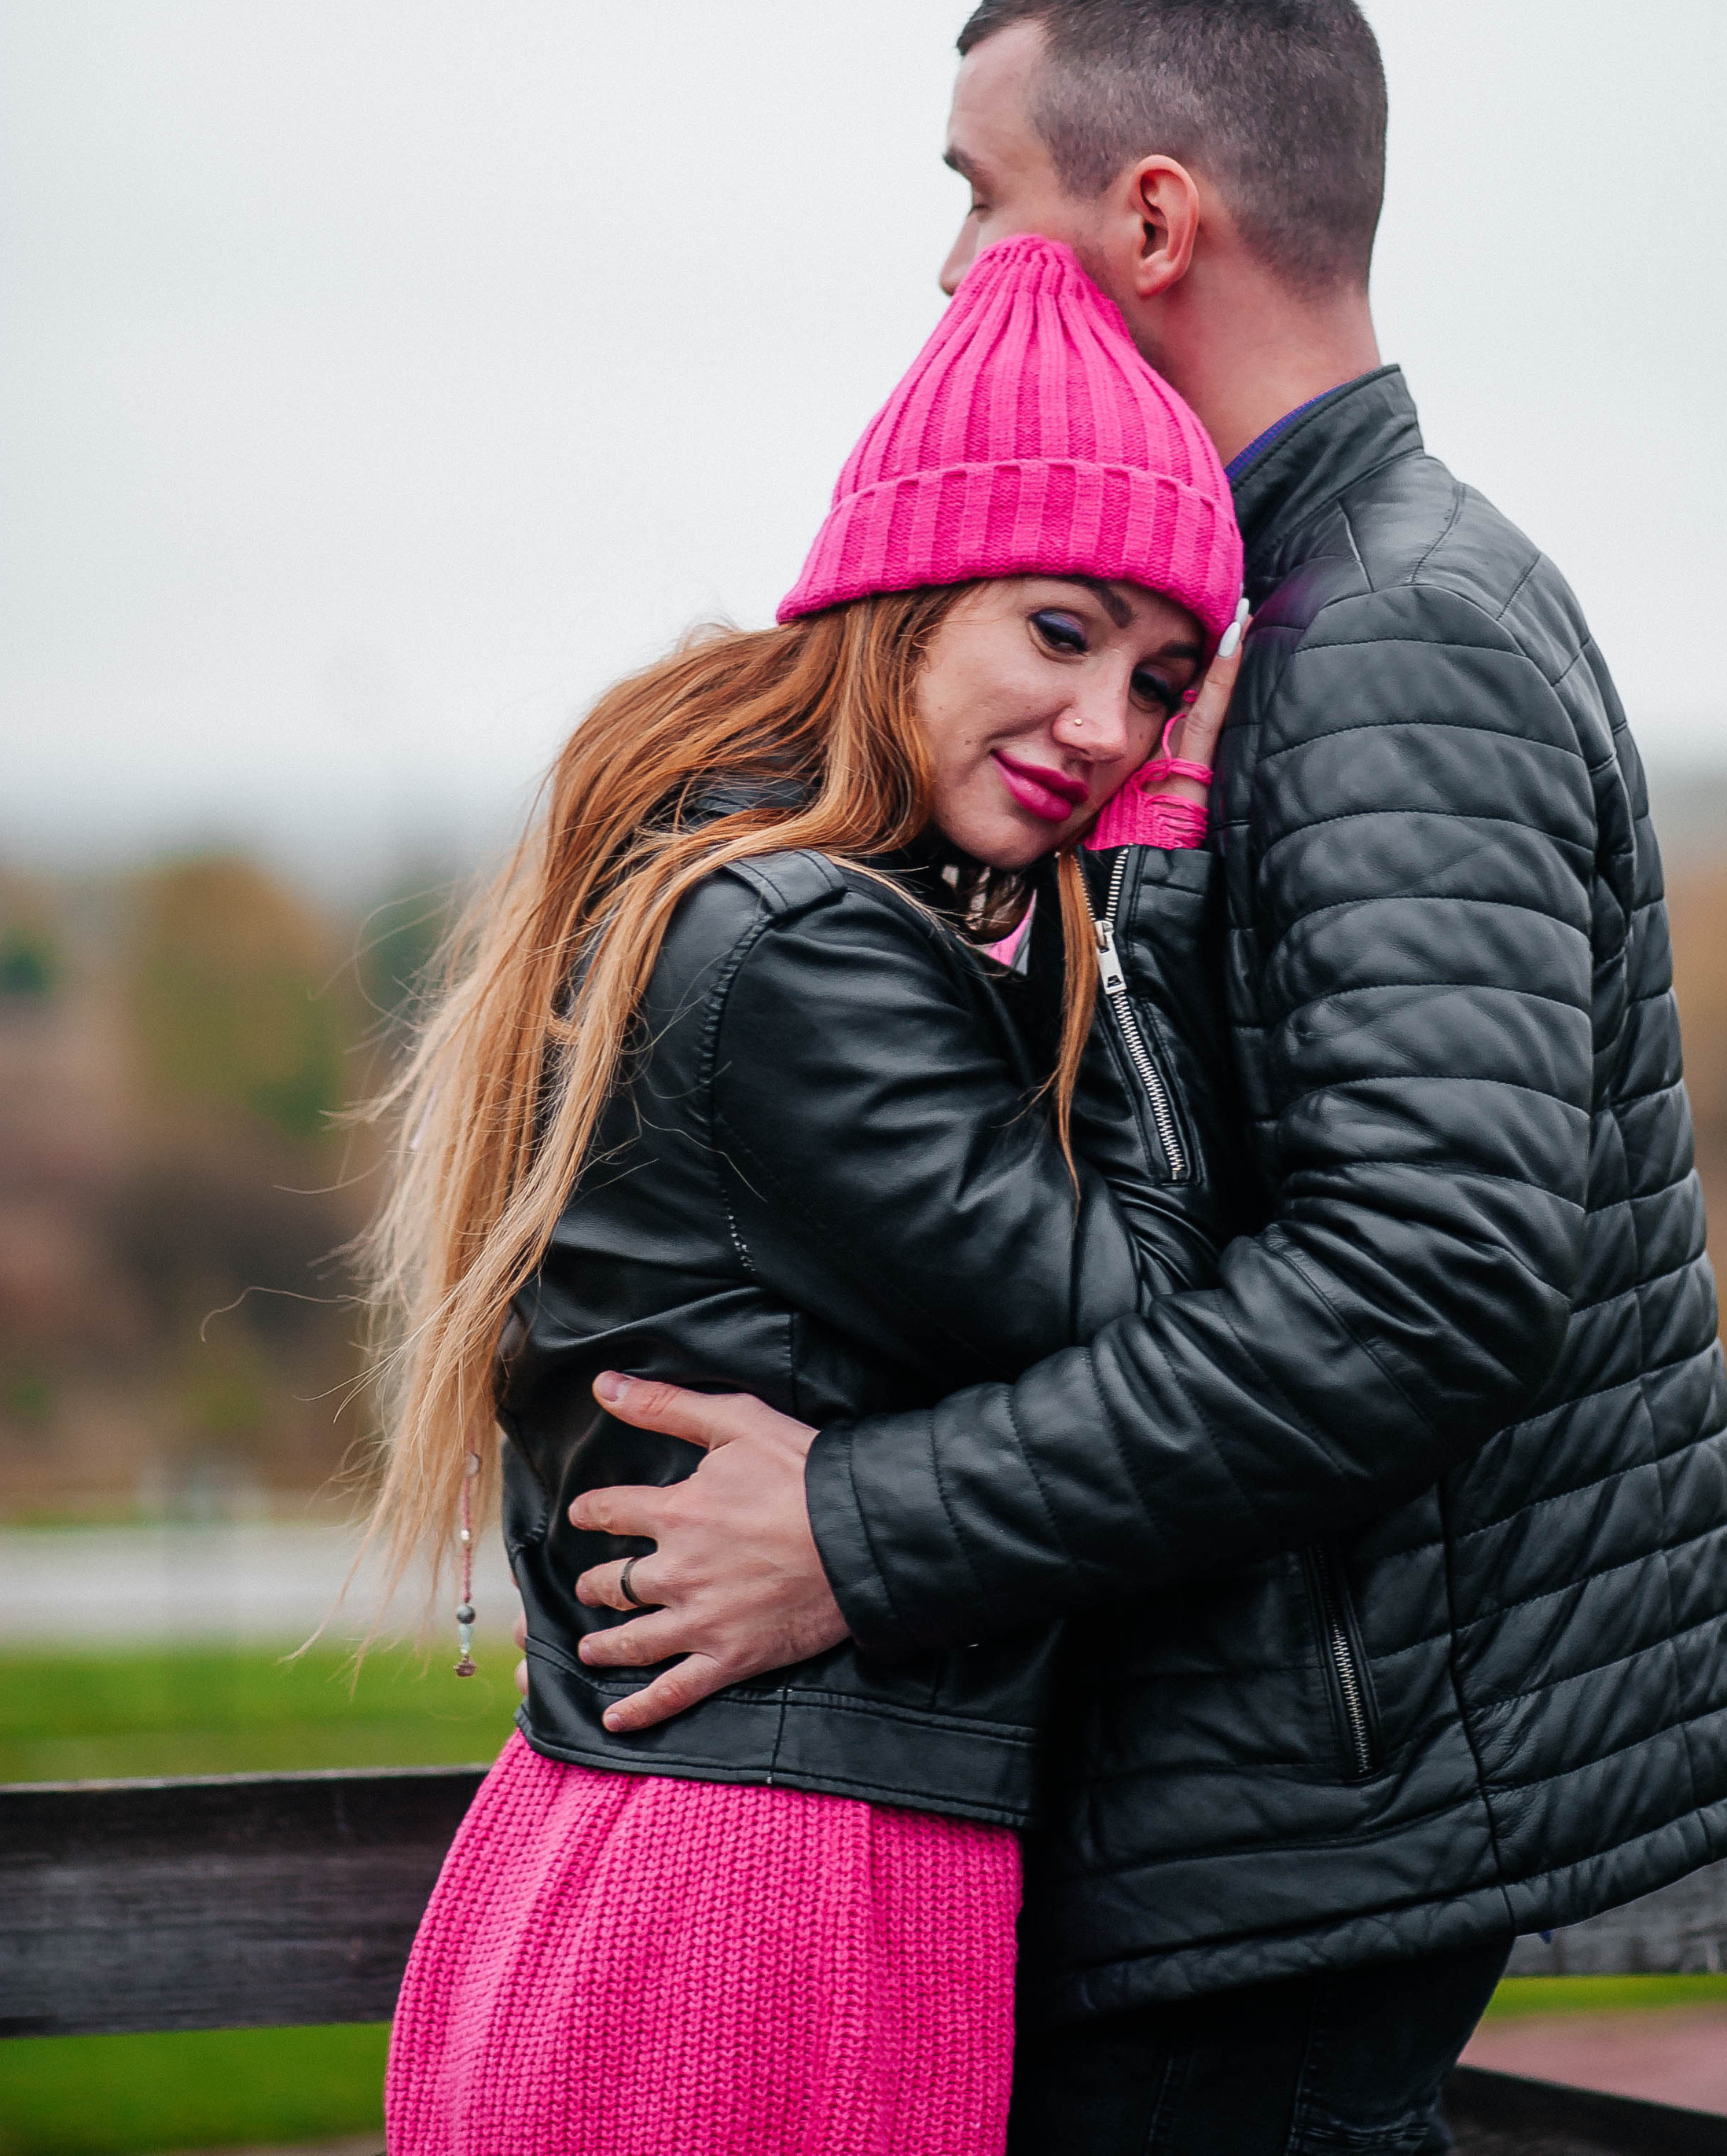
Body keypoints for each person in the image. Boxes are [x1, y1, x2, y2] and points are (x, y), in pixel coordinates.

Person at [567, 0, 1727, 2155]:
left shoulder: (1385, 628)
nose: (950, 271)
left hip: (1312, 1805)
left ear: (1148, 218)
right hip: (1283, 1783)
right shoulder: (1279, 615)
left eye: (978, 193)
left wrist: (856, 1529)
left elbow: (1426, 1280)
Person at [365, 231, 1250, 2156]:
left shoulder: (744, 891)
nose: (1109, 729)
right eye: (1060, 631)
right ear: (903, 594)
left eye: (1162, 682)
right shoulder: (799, 948)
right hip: (766, 1892)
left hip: (713, 1849)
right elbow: (1163, 1340)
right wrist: (1158, 885)